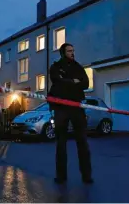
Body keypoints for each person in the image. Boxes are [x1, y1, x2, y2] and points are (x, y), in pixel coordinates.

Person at [48, 43, 93, 184]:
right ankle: (61, 176)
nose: (72, 53)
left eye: (73, 51)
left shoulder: (78, 67)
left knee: (82, 142)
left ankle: (87, 176)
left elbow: (85, 83)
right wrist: (73, 82)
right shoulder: (55, 67)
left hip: (76, 107)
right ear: (63, 53)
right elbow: (57, 81)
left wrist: (69, 82)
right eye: (69, 51)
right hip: (61, 107)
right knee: (61, 142)